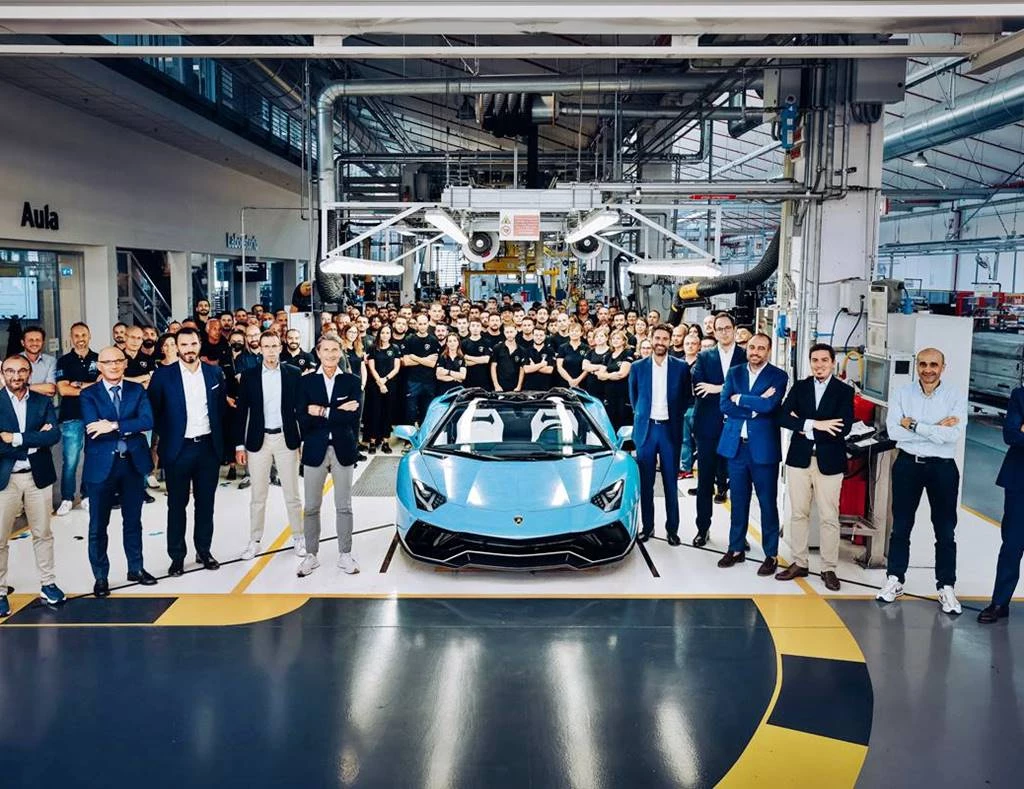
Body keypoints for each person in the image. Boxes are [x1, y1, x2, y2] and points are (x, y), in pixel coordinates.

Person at [877, 347, 968, 615]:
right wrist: (936, 428)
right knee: (901, 526)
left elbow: (953, 436)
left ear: (943, 367)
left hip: (943, 468)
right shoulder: (902, 393)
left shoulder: (954, 396)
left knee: (945, 529)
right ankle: (895, 579)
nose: (928, 370)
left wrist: (915, 425)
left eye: (933, 365)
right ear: (917, 366)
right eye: (923, 364)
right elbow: (894, 431)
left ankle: (946, 586)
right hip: (908, 465)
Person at [147, 327, 228, 575]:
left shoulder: (214, 373)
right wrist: (169, 437)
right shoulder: (163, 376)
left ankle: (204, 551)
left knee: (206, 504)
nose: (189, 349)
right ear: (177, 347)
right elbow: (154, 411)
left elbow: (221, 411)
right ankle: (177, 557)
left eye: (193, 344)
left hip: (207, 448)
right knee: (176, 505)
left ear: (199, 344)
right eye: (184, 345)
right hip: (178, 449)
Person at [775, 343, 854, 591]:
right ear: (810, 363)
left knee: (829, 516)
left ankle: (829, 568)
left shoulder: (844, 391)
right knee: (798, 513)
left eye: (824, 360)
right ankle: (800, 562)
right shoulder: (800, 387)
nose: (819, 365)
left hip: (829, 461)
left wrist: (803, 426)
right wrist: (816, 425)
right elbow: (782, 417)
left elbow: (843, 427)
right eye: (815, 360)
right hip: (800, 460)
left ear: (833, 363)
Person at [80, 346, 157, 597]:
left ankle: (136, 568)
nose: (113, 365)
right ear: (99, 366)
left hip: (132, 464)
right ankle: (101, 577)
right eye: (107, 362)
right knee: (98, 526)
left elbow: (147, 421)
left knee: (133, 521)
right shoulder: (88, 394)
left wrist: (113, 425)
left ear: (125, 364)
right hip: (101, 467)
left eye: (118, 361)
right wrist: (128, 426)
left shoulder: (137, 390)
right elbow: (93, 427)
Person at [716, 332, 788, 574]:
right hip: (736, 448)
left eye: (761, 348)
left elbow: (770, 405)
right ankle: (736, 548)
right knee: (738, 501)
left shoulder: (778, 376)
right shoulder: (734, 372)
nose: (755, 352)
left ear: (769, 351)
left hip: (763, 450)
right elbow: (724, 405)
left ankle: (771, 554)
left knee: (767, 503)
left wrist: (741, 398)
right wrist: (754, 406)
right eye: (752, 347)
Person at [0, 354, 64, 617]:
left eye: (21, 371)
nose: (16, 376)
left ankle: (48, 584)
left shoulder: (42, 401)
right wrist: (34, 440)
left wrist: (15, 438)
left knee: (43, 533)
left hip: (37, 477)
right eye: (10, 371)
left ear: (29, 373)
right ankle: (0, 592)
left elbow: (53, 435)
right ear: (3, 373)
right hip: (6, 480)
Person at [234, 331, 305, 561]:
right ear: (260, 349)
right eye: (267, 346)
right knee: (258, 496)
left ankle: (299, 537)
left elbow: (300, 409)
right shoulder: (249, 376)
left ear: (280, 347)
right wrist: (239, 445)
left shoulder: (293, 373)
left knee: (292, 494)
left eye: (275, 346)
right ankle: (254, 540)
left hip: (286, 439)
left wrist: (302, 439)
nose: (271, 351)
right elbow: (241, 411)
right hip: (259, 441)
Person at [296, 334, 362, 577]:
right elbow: (302, 417)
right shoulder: (306, 382)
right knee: (311, 507)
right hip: (315, 449)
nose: (331, 354)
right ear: (318, 352)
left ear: (341, 352)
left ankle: (345, 554)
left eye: (335, 350)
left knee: (344, 506)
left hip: (343, 449)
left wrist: (321, 411)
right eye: (326, 350)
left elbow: (353, 417)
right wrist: (336, 412)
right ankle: (311, 555)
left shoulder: (352, 381)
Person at [628, 324, 691, 545]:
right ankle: (648, 527)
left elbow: (686, 397)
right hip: (646, 431)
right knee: (646, 484)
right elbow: (634, 397)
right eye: (657, 338)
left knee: (670, 483)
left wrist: (674, 415)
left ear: (670, 341)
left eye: (665, 338)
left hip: (669, 430)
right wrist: (643, 415)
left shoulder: (681, 367)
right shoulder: (637, 367)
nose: (661, 342)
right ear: (651, 339)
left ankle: (672, 529)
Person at [689, 312, 747, 546]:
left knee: (739, 484)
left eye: (727, 328)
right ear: (713, 331)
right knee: (705, 482)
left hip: (737, 427)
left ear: (734, 329)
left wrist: (717, 388)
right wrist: (728, 389)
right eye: (719, 328)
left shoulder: (745, 356)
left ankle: (739, 536)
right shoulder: (704, 357)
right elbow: (699, 387)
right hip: (708, 428)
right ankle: (702, 529)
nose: (723, 332)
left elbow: (746, 389)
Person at [979, 385, 1024, 623]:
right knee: (1012, 545)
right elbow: (1011, 434)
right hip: (1019, 482)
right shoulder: (1020, 395)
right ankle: (999, 603)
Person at [54, 322, 100, 516]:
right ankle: (67, 498)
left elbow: (102, 387)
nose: (80, 339)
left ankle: (87, 495)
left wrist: (78, 384)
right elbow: (63, 389)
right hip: (71, 416)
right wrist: (90, 386)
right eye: (76, 335)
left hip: (95, 416)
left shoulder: (99, 359)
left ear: (89, 336)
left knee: (92, 457)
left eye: (83, 335)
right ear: (71, 338)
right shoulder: (64, 361)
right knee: (71, 459)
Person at [364, 325, 401, 454]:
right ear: (379, 334)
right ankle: (373, 442)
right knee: (375, 412)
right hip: (375, 385)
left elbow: (396, 368)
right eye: (383, 333)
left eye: (388, 333)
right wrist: (380, 382)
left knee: (388, 412)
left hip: (390, 384)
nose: (385, 335)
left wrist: (385, 379)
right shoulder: (373, 348)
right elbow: (371, 368)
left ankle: (386, 441)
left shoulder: (395, 348)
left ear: (391, 335)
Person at [402, 314, 440, 425]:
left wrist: (415, 357)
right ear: (416, 325)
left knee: (427, 409)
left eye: (424, 324)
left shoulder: (433, 340)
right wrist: (426, 359)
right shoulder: (409, 339)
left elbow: (433, 364)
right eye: (420, 324)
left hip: (429, 381)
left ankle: (425, 433)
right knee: (411, 410)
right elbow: (406, 362)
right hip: (413, 381)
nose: (422, 326)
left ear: (428, 324)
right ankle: (410, 434)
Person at [678, 332, 701, 481]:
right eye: (687, 343)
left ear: (699, 346)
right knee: (684, 440)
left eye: (693, 344)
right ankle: (685, 468)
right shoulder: (677, 362)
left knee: (700, 440)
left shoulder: (703, 363)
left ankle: (702, 469)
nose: (690, 346)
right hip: (682, 407)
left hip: (698, 406)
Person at [600, 329, 633, 429]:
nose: (615, 340)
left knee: (622, 420)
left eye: (618, 338)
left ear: (623, 341)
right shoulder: (608, 355)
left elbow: (622, 374)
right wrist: (611, 375)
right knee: (610, 420)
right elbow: (600, 375)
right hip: (609, 393)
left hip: (622, 393)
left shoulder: (627, 353)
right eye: (613, 338)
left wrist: (606, 375)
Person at [20, 326, 57, 397]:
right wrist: (42, 388)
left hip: (43, 403)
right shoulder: (14, 361)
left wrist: (25, 387)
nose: (35, 343)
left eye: (38, 340)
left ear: (43, 342)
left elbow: (51, 389)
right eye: (30, 340)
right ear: (23, 342)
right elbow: (12, 389)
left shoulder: (51, 361)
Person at [491, 323, 525, 393]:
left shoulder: (521, 350)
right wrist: (496, 385)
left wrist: (519, 386)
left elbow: (522, 369)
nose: (509, 334)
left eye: (511, 332)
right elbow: (493, 367)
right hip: (500, 387)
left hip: (515, 388)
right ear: (504, 333)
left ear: (516, 332)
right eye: (507, 332)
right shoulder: (497, 348)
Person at [461, 318, 493, 390]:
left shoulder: (487, 342)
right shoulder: (464, 343)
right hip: (468, 380)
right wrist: (480, 360)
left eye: (478, 326)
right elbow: (465, 363)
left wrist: (468, 357)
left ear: (481, 328)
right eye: (473, 326)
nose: (475, 328)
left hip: (484, 380)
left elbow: (486, 360)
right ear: (469, 327)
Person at [556, 321, 588, 389]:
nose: (574, 333)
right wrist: (570, 380)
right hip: (564, 383)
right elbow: (559, 367)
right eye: (572, 331)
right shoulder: (562, 347)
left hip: (581, 384)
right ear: (568, 333)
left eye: (577, 331)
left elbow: (587, 368)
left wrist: (577, 381)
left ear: (581, 333)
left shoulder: (586, 348)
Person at [522, 326, 555, 391]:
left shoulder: (550, 351)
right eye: (536, 335)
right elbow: (526, 369)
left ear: (545, 336)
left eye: (541, 335)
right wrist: (541, 365)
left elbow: (549, 370)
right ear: (533, 336)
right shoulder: (526, 350)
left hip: (546, 389)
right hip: (529, 388)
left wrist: (533, 367)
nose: (538, 337)